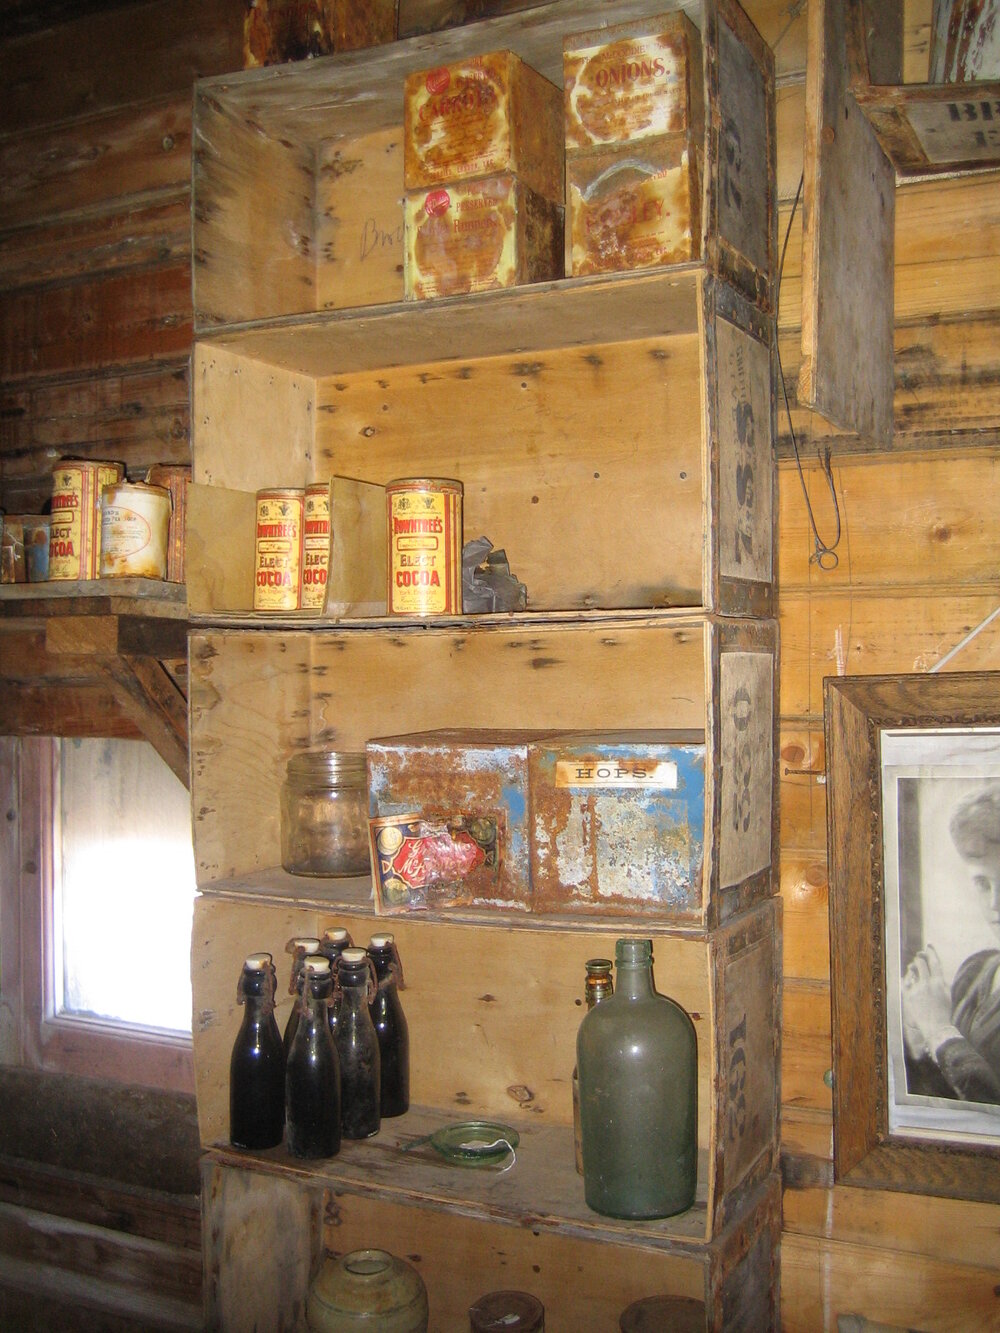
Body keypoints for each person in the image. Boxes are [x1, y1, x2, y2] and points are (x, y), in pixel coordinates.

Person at [900, 784, 1000, 1106]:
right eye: (983, 884)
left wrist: (938, 1030)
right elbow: (946, 1101)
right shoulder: (975, 972)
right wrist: (918, 1036)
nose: (995, 904)